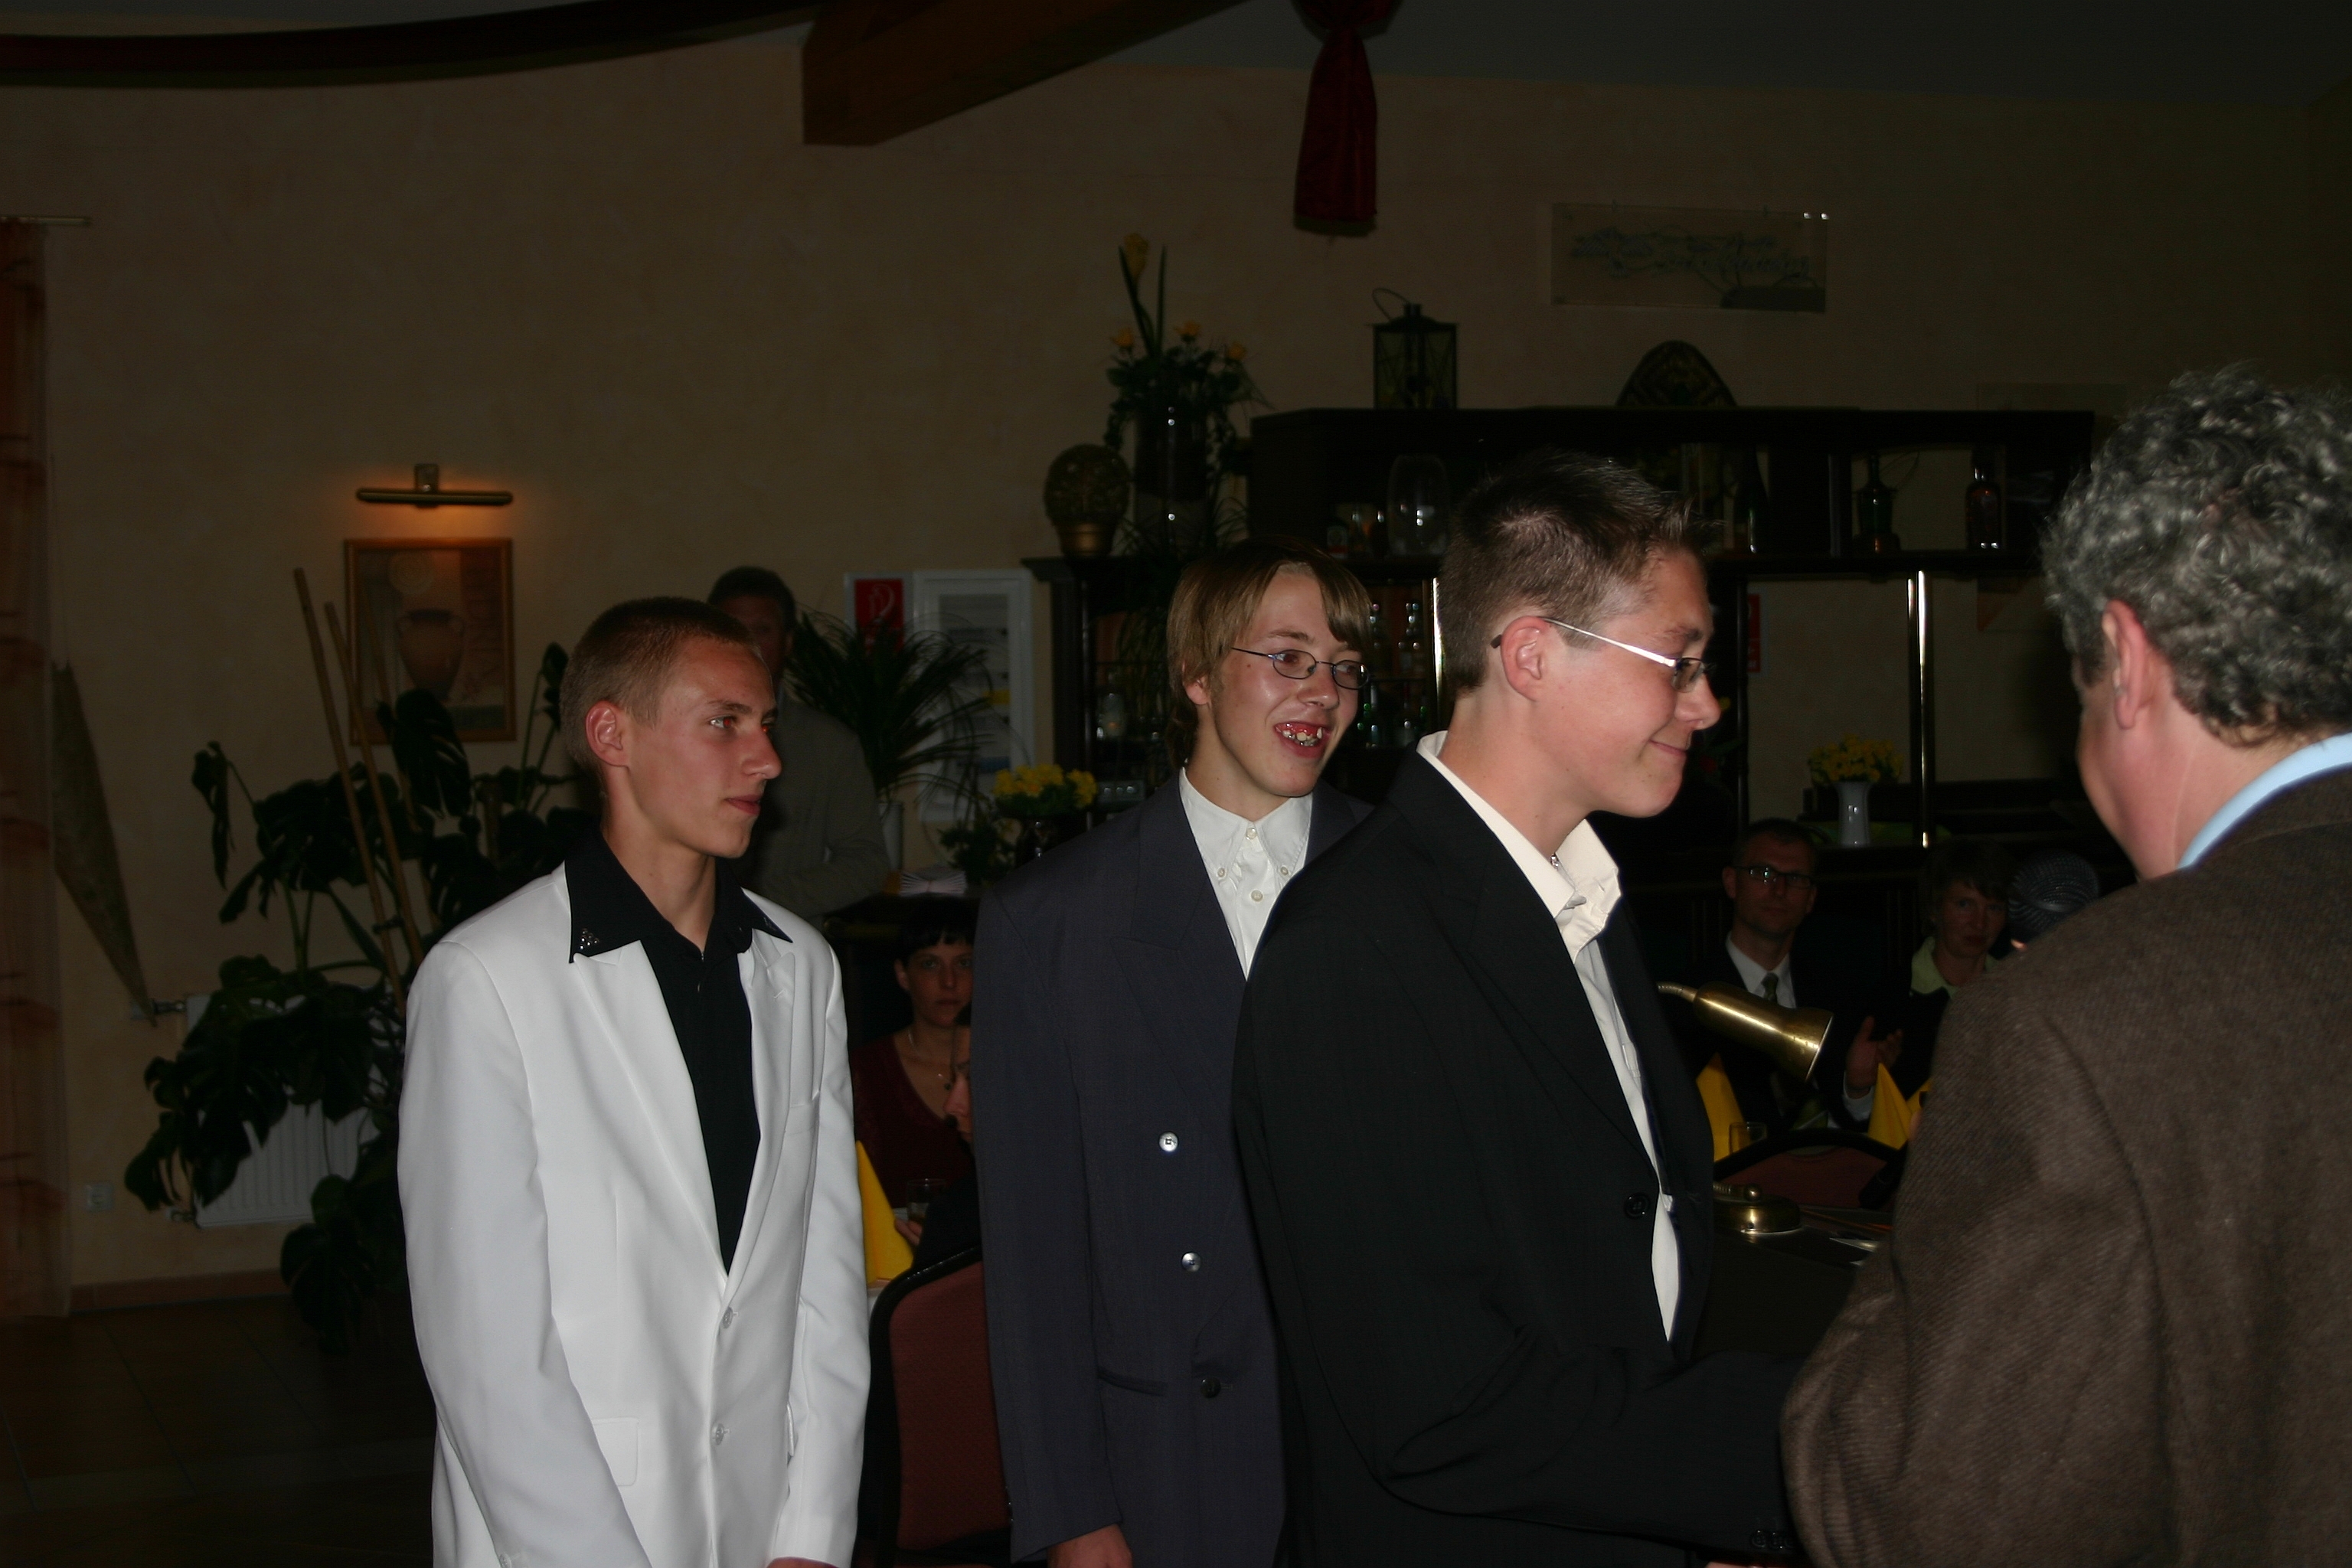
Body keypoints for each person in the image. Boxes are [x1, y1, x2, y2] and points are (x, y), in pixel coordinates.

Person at [1783, 368, 2352, 1563]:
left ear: (2127, 659)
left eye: (2081, 689)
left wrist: (1919, 1250)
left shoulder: (2091, 1016)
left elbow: (1921, 1513)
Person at [1234, 449, 1798, 1566]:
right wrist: (1807, 1443)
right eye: (1679, 661)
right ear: (1532, 653)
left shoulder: (1587, 902)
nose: (1706, 703)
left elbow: (1625, 1264)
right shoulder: (1353, 950)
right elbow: (1438, 1401)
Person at [400, 596, 866, 1568]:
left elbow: (825, 1277)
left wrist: (813, 1531)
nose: (766, 759)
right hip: (566, 1529)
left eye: (766, 723)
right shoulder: (487, 978)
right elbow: (485, 1348)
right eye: (724, 722)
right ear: (611, 734)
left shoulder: (802, 967)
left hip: (764, 1525)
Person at [973, 538, 1374, 1568]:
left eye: (1343, 666)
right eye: (1288, 657)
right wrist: (1069, 1512)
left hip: (1383, 1453)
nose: (1323, 692)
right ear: (1196, 672)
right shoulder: (1053, 921)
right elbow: (1033, 1257)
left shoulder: (1408, 883)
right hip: (1172, 1461)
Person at [1674, 818, 1898, 1134]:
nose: (1779, 890)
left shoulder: (1840, 995)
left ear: (1811, 898)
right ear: (1731, 882)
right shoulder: (1689, 1001)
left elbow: (1861, 1128)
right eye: (1763, 873)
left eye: (1795, 878)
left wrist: (1858, 1088)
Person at [710, 565, 891, 921]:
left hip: (785, 937)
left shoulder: (828, 745)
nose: (748, 645)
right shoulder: (676, 734)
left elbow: (867, 864)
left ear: (788, 642)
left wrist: (757, 900)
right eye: (734, 630)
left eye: (762, 630)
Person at [851, 897, 976, 1208]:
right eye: (930, 964)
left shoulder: (1013, 1067)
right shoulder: (865, 1073)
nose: (949, 982)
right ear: (903, 975)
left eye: (964, 963)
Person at [1880, 836, 2015, 1096]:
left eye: (1994, 908)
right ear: (1935, 908)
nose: (1979, 923)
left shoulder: (2016, 991)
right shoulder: (1893, 994)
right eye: (1965, 905)